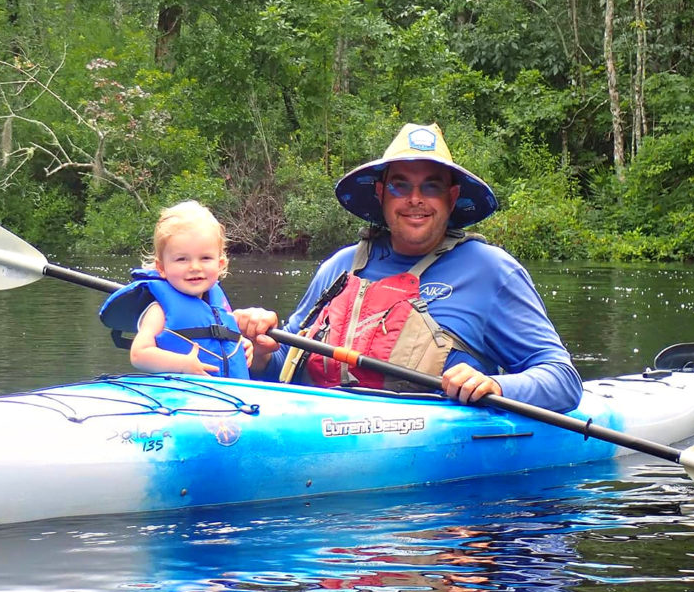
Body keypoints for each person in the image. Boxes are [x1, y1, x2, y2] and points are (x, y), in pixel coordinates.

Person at [234, 123, 583, 412]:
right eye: (401, 185)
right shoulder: (340, 267)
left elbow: (563, 380)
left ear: (452, 196)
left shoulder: (491, 271)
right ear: (382, 194)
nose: (415, 198)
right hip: (316, 442)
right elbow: (284, 366)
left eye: (431, 185)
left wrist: (497, 385)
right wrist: (261, 353)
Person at [98, 200, 251, 378]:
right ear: (161, 267)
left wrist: (241, 345)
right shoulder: (159, 310)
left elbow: (220, 343)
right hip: (184, 397)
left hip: (230, 399)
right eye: (182, 259)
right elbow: (139, 354)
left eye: (205, 258)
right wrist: (182, 365)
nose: (195, 267)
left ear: (221, 264)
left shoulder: (218, 304)